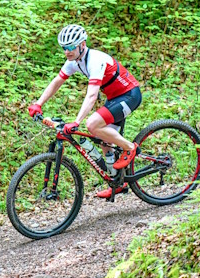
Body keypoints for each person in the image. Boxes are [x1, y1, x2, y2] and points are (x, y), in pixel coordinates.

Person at [28, 24, 142, 198]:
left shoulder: (95, 60)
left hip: (129, 95)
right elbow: (56, 82)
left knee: (92, 124)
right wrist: (39, 103)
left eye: (71, 47)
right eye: (64, 48)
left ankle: (129, 148)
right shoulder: (74, 61)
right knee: (105, 141)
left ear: (82, 44)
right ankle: (119, 184)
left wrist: (77, 121)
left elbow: (92, 96)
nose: (67, 51)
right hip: (114, 97)